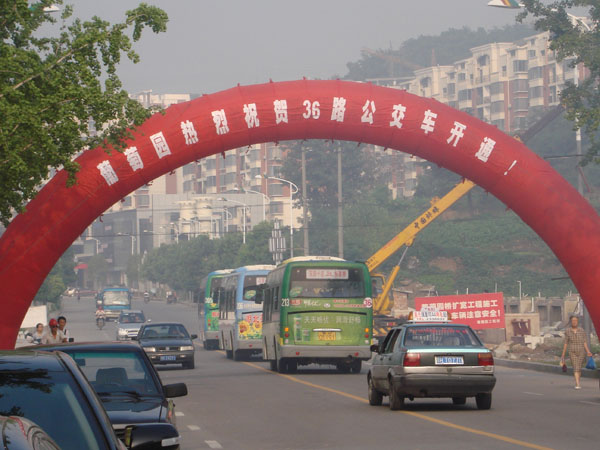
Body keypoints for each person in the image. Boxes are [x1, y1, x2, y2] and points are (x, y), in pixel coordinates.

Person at [560, 315, 593, 389]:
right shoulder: (568, 331)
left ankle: (578, 381)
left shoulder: (581, 330)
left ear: (577, 322)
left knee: (579, 368)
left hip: (581, 351)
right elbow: (566, 343)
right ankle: (577, 384)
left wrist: (588, 351)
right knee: (575, 367)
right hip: (572, 351)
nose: (574, 322)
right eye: (573, 321)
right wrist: (563, 354)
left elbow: (584, 342)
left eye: (575, 320)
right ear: (570, 322)